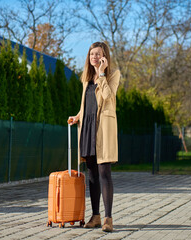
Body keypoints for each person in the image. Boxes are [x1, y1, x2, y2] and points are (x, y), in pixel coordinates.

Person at [68, 42, 120, 232]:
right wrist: (77, 116)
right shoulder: (86, 78)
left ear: (105, 56)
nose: (94, 58)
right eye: (92, 54)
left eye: (98, 54)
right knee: (92, 175)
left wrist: (103, 73)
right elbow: (86, 105)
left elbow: (109, 98)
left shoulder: (113, 75)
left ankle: (108, 218)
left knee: (104, 172)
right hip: (87, 128)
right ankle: (95, 215)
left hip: (103, 129)